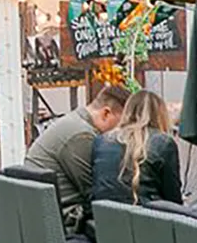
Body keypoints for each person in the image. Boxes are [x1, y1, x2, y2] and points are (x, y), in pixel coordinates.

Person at [23, 84, 128, 231]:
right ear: (106, 114)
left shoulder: (73, 122)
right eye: (122, 125)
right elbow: (97, 192)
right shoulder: (81, 136)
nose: (122, 133)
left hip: (45, 214)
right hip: (66, 219)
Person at [89, 90, 184, 214]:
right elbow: (173, 200)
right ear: (161, 115)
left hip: (106, 221)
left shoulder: (101, 141)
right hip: (149, 222)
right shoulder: (164, 143)